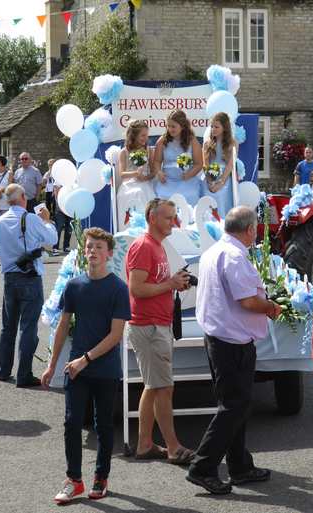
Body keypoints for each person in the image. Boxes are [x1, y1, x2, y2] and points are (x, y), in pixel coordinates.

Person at [187, 206, 282, 495]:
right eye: (255, 229)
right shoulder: (234, 256)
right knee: (234, 407)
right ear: (250, 229)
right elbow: (248, 301)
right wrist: (271, 307)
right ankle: (203, 467)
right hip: (231, 341)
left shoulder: (213, 251)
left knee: (235, 405)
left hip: (220, 337)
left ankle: (239, 465)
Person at [41, 227, 131, 504]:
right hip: (76, 368)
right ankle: (74, 480)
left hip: (104, 369)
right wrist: (51, 365)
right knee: (71, 424)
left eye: (98, 248)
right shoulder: (74, 286)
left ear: (109, 254)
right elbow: (62, 326)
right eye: (89, 247)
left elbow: (116, 335)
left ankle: (101, 477)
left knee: (103, 425)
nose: (92, 251)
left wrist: (85, 359)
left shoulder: (118, 288)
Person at [126, 198, 194, 464]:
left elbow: (152, 283)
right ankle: (173, 447)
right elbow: (136, 288)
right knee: (163, 388)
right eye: (168, 217)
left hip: (156, 325)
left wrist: (173, 283)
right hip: (150, 326)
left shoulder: (156, 245)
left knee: (154, 387)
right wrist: (170, 284)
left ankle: (145, 444)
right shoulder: (144, 246)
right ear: (153, 218)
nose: (173, 222)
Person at [0, 184, 57, 386]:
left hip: (9, 277)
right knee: (28, 327)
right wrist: (46, 220)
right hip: (29, 277)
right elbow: (52, 239)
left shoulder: (1, 221)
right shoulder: (30, 218)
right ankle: (24, 374)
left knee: (8, 327)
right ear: (23, 196)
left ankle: (4, 370)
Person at [154, 110, 203, 207]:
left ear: (182, 126)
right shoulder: (162, 141)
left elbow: (199, 164)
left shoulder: (192, 141)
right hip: (167, 181)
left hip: (187, 180)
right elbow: (157, 161)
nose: (170, 129)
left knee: (190, 195)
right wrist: (159, 172)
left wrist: (189, 174)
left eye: (173, 126)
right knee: (163, 197)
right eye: (168, 126)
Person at [117, 119, 155, 228]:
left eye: (147, 135)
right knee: (132, 193)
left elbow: (153, 172)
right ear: (134, 135)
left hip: (144, 183)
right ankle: (127, 227)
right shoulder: (124, 152)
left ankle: (145, 226)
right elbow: (122, 174)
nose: (146, 138)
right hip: (129, 183)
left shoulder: (148, 150)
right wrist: (135, 173)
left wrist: (145, 178)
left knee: (141, 192)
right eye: (143, 135)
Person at [202, 112, 235, 218]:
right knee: (207, 195)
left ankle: (222, 221)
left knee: (221, 195)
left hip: (224, 178)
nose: (213, 129)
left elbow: (230, 165)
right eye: (212, 126)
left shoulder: (232, 143)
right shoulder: (207, 144)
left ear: (224, 128)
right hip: (209, 177)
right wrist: (210, 182)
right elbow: (205, 164)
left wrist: (221, 183)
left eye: (216, 127)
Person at [52, 184, 72, 256]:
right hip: (60, 210)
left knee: (69, 228)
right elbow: (56, 195)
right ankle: (55, 248)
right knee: (58, 228)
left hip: (70, 209)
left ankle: (66, 247)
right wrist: (61, 207)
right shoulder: (58, 181)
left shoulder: (72, 180)